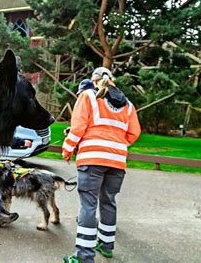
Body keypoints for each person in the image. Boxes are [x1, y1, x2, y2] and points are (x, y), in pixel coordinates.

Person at [61, 67, 141, 263]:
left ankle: (84, 257)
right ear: (112, 80)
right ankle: (106, 246)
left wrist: (68, 148)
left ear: (94, 80)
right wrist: (117, 146)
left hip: (92, 159)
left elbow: (78, 127)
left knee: (88, 205)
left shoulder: (88, 96)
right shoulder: (128, 104)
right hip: (117, 161)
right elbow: (134, 133)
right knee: (109, 202)